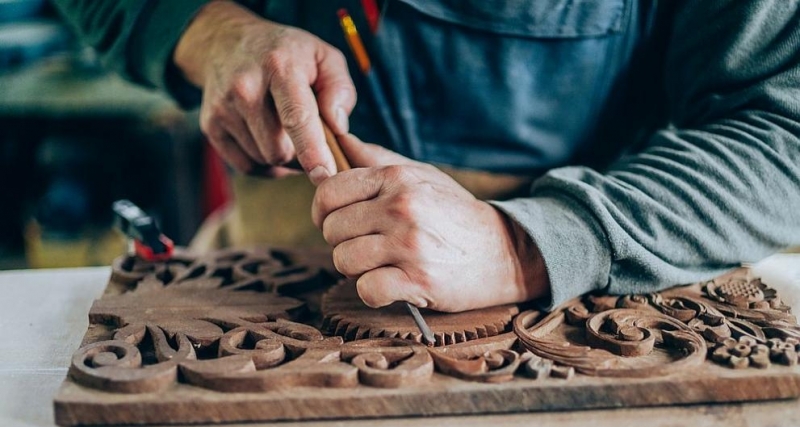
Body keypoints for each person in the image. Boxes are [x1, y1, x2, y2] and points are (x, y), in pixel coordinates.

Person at [53, 0, 800, 313]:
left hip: (598, 286)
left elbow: (782, 132)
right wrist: (205, 30)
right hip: (270, 271)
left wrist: (529, 245)